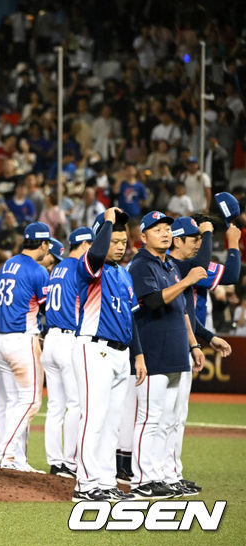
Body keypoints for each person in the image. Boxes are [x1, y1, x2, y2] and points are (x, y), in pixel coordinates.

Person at [125, 210, 219, 499]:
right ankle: (142, 479)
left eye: (167, 228)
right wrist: (187, 281)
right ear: (143, 237)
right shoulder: (141, 265)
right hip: (153, 351)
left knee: (167, 420)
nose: (165, 233)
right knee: (150, 419)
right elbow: (152, 302)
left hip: (175, 349)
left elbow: (181, 312)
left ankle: (163, 475)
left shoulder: (169, 266)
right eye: (157, 229)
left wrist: (193, 343)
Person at [70, 207, 145, 503]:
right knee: (94, 417)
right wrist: (108, 221)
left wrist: (137, 356)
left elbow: (131, 319)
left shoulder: (124, 275)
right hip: (94, 348)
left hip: (119, 353)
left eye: (123, 242)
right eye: (114, 241)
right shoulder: (91, 266)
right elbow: (97, 253)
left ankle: (103, 480)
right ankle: (85, 484)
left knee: (112, 422)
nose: (120, 246)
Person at [164, 216, 237, 493]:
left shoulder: (178, 266)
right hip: (165, 346)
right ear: (178, 239)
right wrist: (224, 241)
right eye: (194, 239)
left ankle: (170, 473)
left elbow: (186, 313)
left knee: (175, 416)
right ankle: (158, 474)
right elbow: (207, 267)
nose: (199, 244)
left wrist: (206, 337)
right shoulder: (177, 265)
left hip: (185, 340)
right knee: (160, 417)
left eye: (200, 239)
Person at [0, 222, 51, 471]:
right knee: (30, 402)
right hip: (21, 340)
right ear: (44, 244)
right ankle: (5, 456)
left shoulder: (8, 264)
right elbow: (49, 307)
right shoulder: (38, 271)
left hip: (0, 340)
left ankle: (11, 458)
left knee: (12, 403)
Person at [40, 226, 93, 478]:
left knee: (55, 407)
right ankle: (71, 463)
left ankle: (55, 462)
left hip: (49, 340)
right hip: (69, 340)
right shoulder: (80, 269)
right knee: (75, 405)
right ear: (84, 246)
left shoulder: (56, 269)